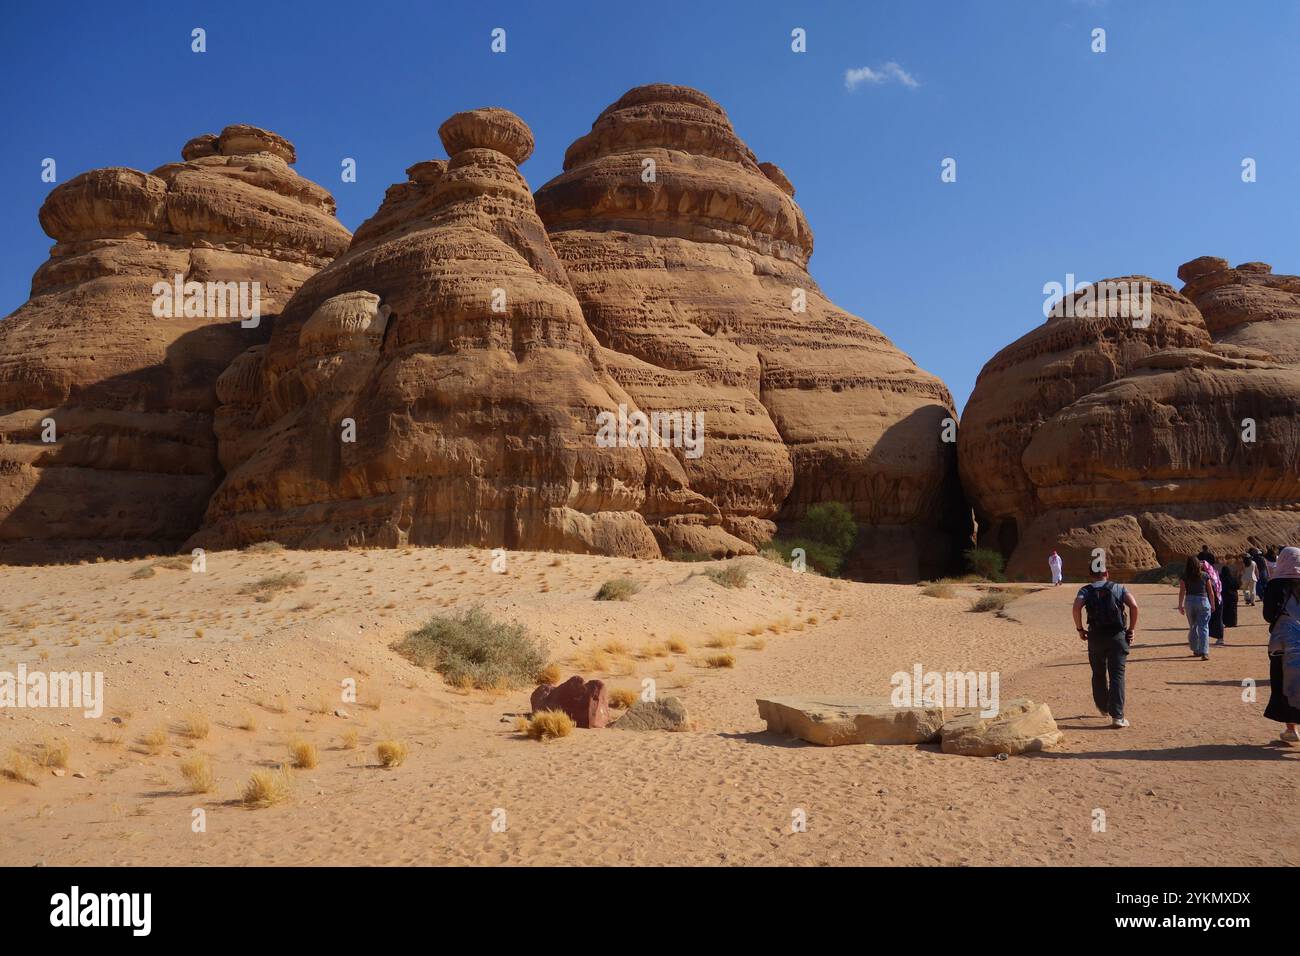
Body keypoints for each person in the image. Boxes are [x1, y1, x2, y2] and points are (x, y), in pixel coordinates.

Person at [1072, 566, 1139, 728]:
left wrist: (1080, 629)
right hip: (1117, 636)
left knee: (1098, 673)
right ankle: (1117, 716)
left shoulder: (1085, 590)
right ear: (1106, 574)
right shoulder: (1118, 588)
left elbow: (1076, 607)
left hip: (1095, 636)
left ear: (1090, 575)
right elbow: (1134, 606)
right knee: (1117, 675)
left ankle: (1103, 708)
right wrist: (1131, 629)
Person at [1261, 546, 1300, 744]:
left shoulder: (1275, 584)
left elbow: (1268, 615)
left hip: (1283, 642)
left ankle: (1291, 728)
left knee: (1284, 681)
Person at [1177, 556, 1216, 660]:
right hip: (1203, 600)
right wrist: (1213, 604)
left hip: (1189, 601)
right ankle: (1204, 652)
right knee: (1203, 627)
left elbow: (1182, 591)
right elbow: (1210, 592)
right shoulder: (1205, 575)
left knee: (1193, 626)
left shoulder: (1184, 576)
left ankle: (1196, 649)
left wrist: (1180, 605)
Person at [1203, 559, 1225, 645]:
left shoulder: (1207, 577)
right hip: (1217, 599)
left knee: (1215, 619)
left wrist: (1212, 604)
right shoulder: (1214, 574)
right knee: (1215, 619)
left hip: (1214, 599)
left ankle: (1219, 638)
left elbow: (1211, 591)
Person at [1219, 560, 1239, 628]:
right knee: (1233, 609)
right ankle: (1233, 623)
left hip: (1224, 596)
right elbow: (1237, 586)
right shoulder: (1232, 578)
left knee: (1225, 609)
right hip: (1233, 596)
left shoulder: (1220, 578)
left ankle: (1225, 622)